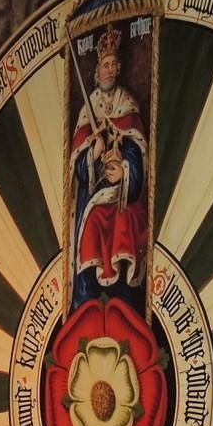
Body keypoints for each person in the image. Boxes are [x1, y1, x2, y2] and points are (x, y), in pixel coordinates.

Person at [69, 25, 148, 312]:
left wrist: (125, 172)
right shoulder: (87, 110)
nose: (110, 70)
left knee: (124, 222)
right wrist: (93, 153)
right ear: (97, 71)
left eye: (114, 65)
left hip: (123, 195)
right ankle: (90, 299)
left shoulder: (127, 104)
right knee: (92, 221)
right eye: (105, 65)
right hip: (94, 195)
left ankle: (123, 299)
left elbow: (136, 153)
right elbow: (79, 169)